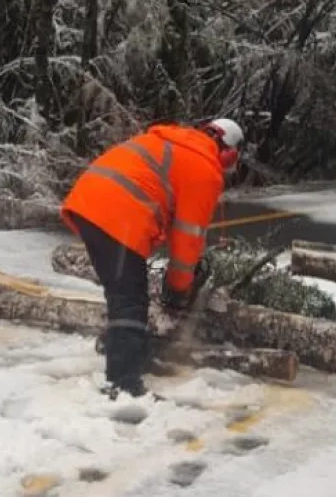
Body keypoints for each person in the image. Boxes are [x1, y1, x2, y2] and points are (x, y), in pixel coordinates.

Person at [60, 118, 244, 397]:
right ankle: (123, 384)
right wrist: (178, 288)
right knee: (130, 300)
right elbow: (187, 241)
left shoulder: (175, 142)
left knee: (123, 292)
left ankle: (129, 352)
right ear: (228, 153)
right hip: (118, 213)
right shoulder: (204, 168)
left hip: (89, 201)